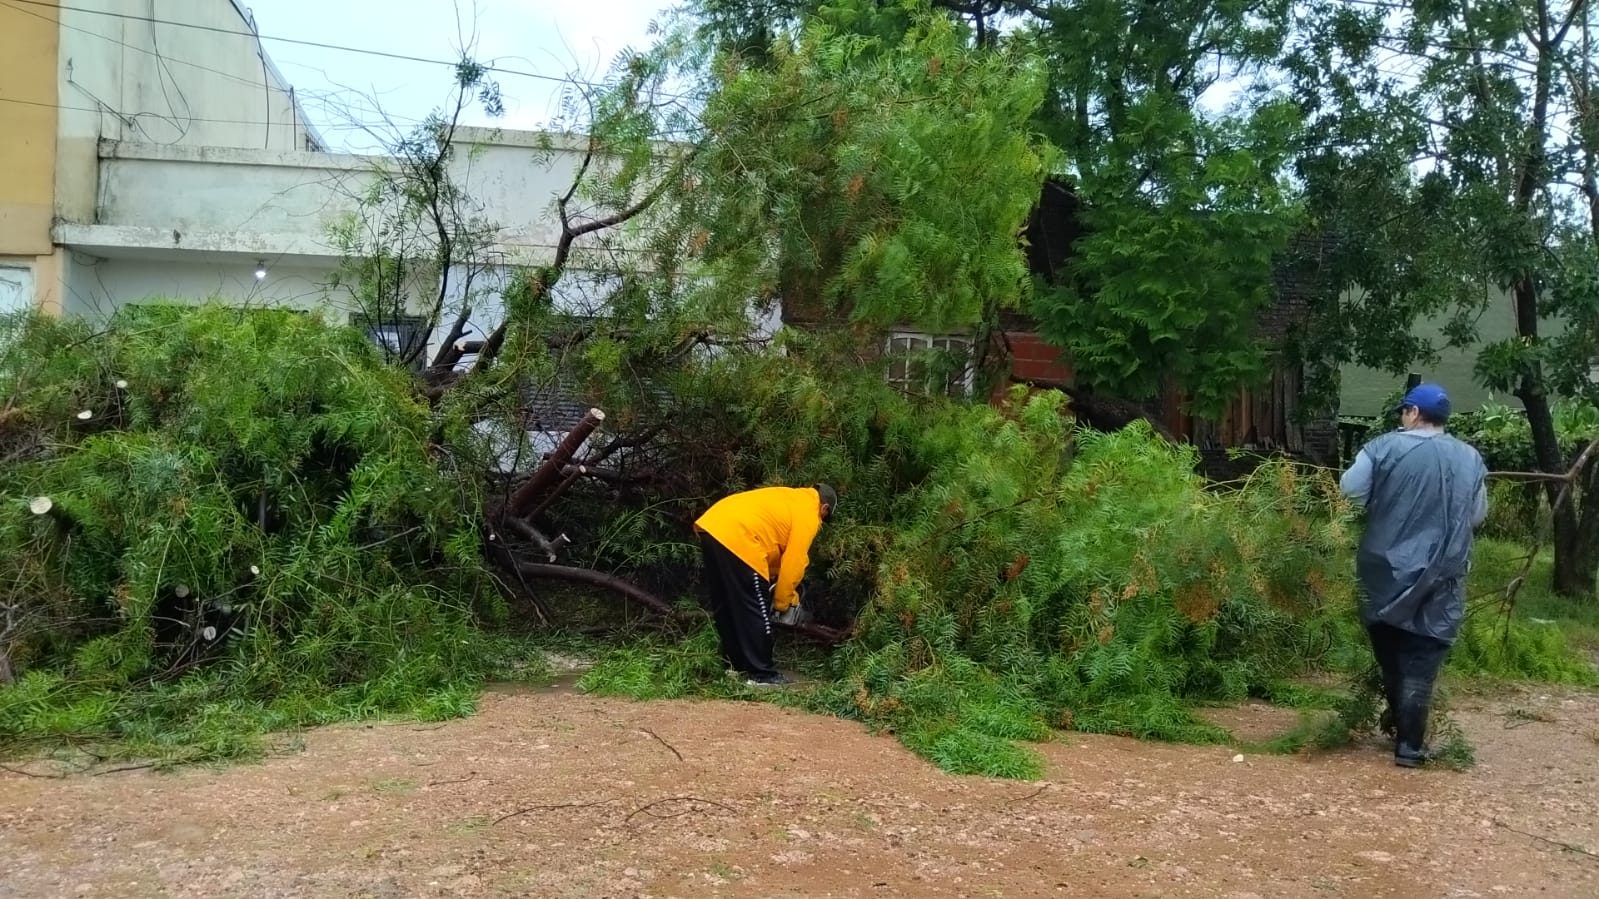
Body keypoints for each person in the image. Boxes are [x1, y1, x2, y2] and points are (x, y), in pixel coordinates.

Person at [1340, 383, 1487, 767]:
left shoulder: (1384, 447)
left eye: (1404, 410)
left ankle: (1403, 732)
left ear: (1414, 414)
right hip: (1444, 574)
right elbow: (1476, 516)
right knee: (1422, 658)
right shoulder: (1470, 458)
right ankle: (1409, 745)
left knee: (1392, 657)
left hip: (1385, 571)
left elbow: (1350, 489)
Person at [693, 484, 836, 687]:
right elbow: (794, 563)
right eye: (824, 519)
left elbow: (774, 547)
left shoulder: (790, 498)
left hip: (713, 528)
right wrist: (782, 602)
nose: (821, 523)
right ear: (825, 508)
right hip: (741, 537)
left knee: (727, 603)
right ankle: (762, 674)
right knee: (756, 608)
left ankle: (735, 666)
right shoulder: (809, 513)